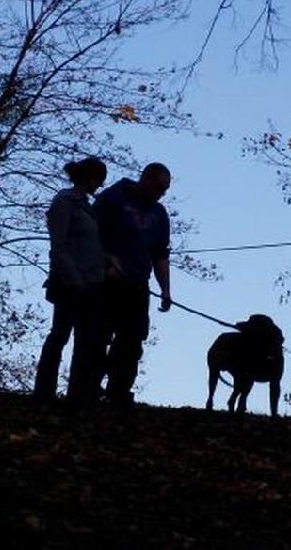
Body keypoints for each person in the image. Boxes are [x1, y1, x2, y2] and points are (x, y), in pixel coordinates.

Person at [94, 162, 172, 408]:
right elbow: (90, 233)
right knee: (98, 335)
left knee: (132, 340)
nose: (161, 193)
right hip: (105, 281)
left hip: (137, 285)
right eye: (159, 187)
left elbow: (160, 254)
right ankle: (89, 385)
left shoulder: (160, 215)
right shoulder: (114, 197)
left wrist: (166, 290)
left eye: (166, 189)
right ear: (146, 179)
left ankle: (118, 391)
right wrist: (105, 260)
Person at [33, 157, 108, 406]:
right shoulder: (65, 202)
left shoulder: (87, 207)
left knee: (86, 341)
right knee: (60, 335)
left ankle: (78, 393)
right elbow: (59, 246)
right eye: (99, 180)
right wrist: (74, 279)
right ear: (90, 178)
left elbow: (91, 244)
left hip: (92, 283)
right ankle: (44, 392)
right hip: (69, 283)